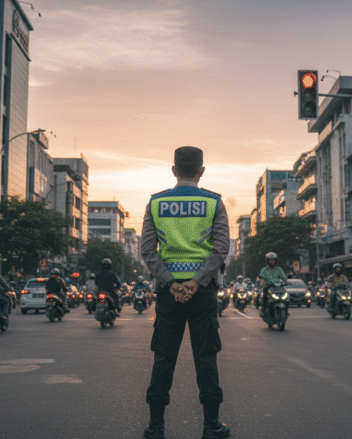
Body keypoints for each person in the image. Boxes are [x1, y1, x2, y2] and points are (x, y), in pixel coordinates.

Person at [141, 146, 230, 439]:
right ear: (201, 171)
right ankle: (211, 426)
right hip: (202, 294)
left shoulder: (156, 203)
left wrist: (171, 282)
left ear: (174, 170)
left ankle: (156, 428)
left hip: (169, 294)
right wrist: (197, 282)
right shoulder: (214, 202)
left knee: (163, 358)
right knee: (205, 358)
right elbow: (220, 249)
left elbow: (147, 251)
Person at [258, 252, 287, 317]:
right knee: (265, 297)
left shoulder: (279, 269)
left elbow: (284, 278)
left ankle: (285, 310)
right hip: (268, 287)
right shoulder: (264, 270)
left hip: (278, 288)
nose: (272, 262)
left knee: (286, 297)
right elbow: (261, 277)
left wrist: (286, 281)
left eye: (273, 260)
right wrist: (262, 281)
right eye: (270, 260)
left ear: (275, 261)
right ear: (267, 261)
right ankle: (263, 310)